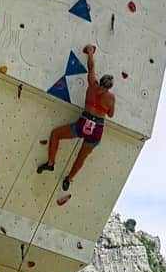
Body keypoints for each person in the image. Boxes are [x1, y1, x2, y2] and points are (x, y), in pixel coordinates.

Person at [38, 45, 115, 190]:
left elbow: (91, 68)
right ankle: (68, 179)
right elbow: (110, 114)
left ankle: (50, 163)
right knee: (81, 157)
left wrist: (90, 52)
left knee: (56, 135)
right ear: (109, 87)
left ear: (101, 80)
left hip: (83, 123)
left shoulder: (92, 85)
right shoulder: (111, 98)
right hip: (96, 129)